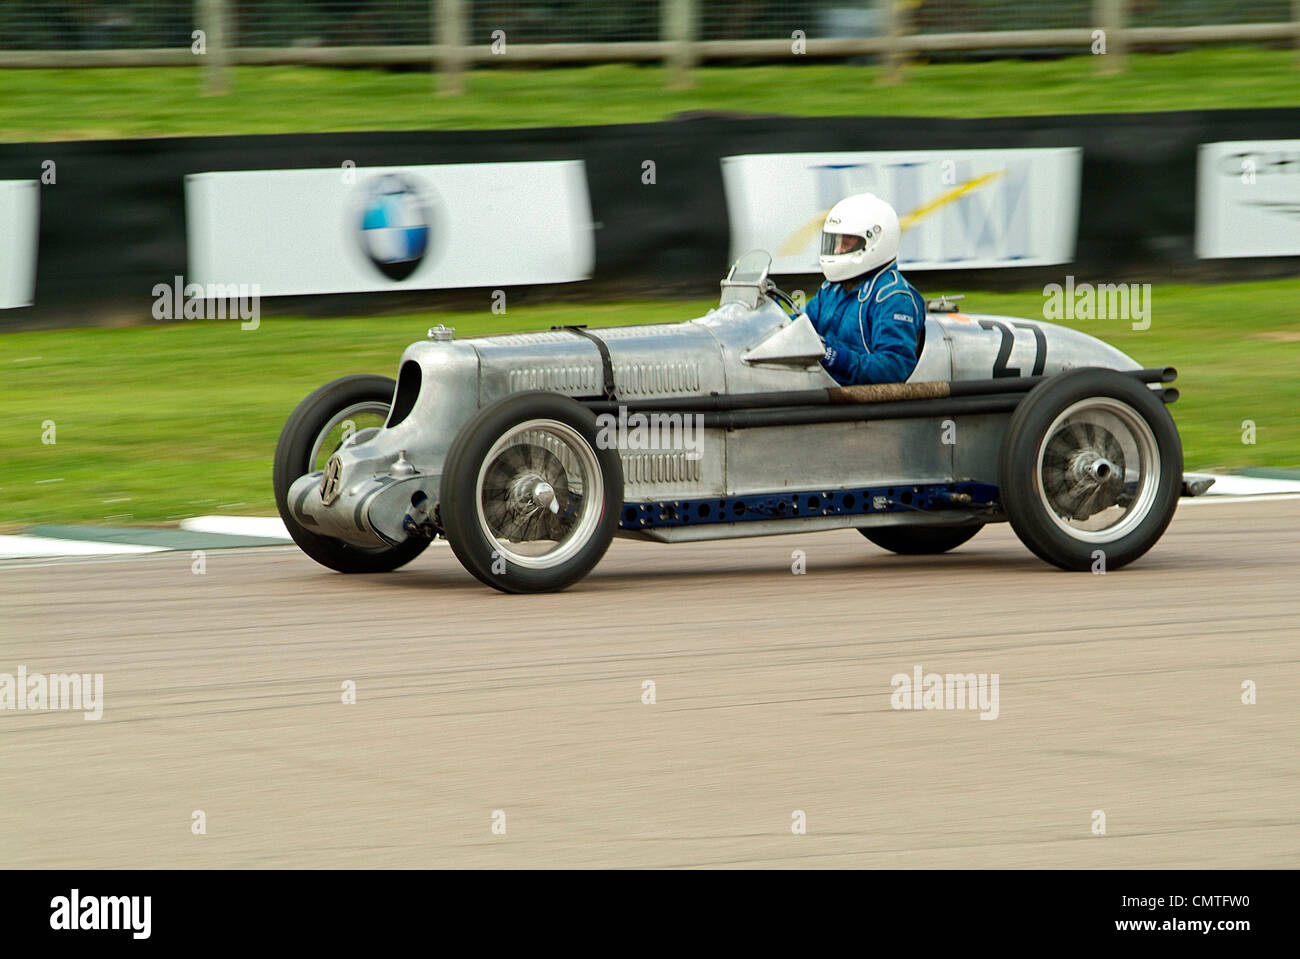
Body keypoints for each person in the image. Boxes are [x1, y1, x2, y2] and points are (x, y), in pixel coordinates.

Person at [803, 193, 925, 385]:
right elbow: (800, 327)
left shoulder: (893, 298)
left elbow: (894, 368)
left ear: (873, 242)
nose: (836, 251)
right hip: (825, 390)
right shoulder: (830, 289)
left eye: (846, 243)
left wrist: (834, 357)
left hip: (864, 404)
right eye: (835, 242)